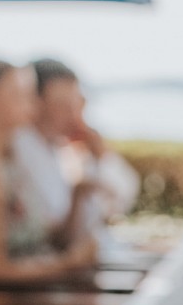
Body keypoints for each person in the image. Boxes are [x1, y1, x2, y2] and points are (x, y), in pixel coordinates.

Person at [0, 57, 98, 285]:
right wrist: (68, 264)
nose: (34, 105)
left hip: (32, 294)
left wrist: (77, 197)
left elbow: (40, 236)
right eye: (19, 96)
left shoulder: (7, 160)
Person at [11, 59, 139, 250]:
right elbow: (58, 238)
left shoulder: (56, 148)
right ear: (35, 103)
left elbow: (123, 195)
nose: (73, 115)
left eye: (75, 104)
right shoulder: (23, 150)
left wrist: (101, 155)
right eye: (62, 105)